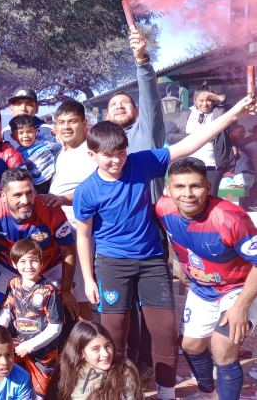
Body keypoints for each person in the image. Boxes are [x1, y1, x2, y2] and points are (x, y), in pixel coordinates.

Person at [73, 94, 253, 400]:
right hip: (111, 264)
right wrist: (89, 279)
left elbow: (190, 144)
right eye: (107, 155)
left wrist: (234, 112)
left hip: (152, 262)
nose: (115, 160)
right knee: (114, 336)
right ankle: (115, 393)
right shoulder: (86, 191)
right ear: (92, 155)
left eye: (120, 152)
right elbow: (83, 236)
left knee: (166, 335)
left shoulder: (140, 163)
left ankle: (167, 395)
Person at [156, 157, 257, 400]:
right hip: (202, 288)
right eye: (180, 187)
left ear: (208, 188)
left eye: (196, 186)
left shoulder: (231, 217)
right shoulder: (162, 208)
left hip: (239, 288)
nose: (188, 194)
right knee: (190, 345)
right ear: (168, 189)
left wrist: (241, 306)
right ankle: (208, 392)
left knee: (222, 349)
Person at [0, 168, 77, 321]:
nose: (25, 201)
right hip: (7, 267)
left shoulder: (50, 208)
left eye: (29, 192)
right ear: (3, 196)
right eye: (17, 195)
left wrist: (65, 289)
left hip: (47, 266)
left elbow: (68, 249)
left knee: (64, 311)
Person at [42, 101, 98, 326]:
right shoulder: (64, 151)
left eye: (72, 121)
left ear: (84, 123)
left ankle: (90, 345)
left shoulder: (90, 152)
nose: (66, 127)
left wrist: (63, 199)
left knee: (80, 295)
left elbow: (95, 187)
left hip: (78, 228)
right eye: (61, 122)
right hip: (58, 226)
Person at [0, 239, 63, 398]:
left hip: (42, 353)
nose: (28, 266)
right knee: (7, 384)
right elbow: (6, 311)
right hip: (16, 346)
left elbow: (56, 328)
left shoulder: (50, 290)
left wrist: (30, 345)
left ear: (41, 262)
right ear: (14, 263)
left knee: (37, 396)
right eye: (23, 261)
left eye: (33, 261)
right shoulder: (13, 284)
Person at [104, 28, 165, 200]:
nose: (119, 106)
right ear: (107, 116)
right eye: (113, 105)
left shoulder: (147, 131)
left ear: (137, 111)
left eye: (125, 103)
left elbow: (150, 99)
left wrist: (141, 61)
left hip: (148, 215)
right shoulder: (99, 143)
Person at [166, 84, 236, 196]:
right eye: (201, 100)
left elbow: (236, 104)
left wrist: (217, 97)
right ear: (195, 100)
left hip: (212, 165)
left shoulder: (220, 112)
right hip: (187, 165)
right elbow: (170, 136)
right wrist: (192, 136)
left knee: (210, 196)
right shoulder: (186, 114)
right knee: (191, 195)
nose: (205, 104)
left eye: (209, 100)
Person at [45, 321, 143, 400]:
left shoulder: (124, 370)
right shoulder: (65, 374)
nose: (105, 354)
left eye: (107, 346)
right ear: (81, 353)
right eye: (96, 349)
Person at [9, 114, 62, 194]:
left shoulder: (44, 140)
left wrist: (59, 137)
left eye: (29, 131)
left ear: (35, 131)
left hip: (53, 178)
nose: (26, 136)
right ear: (13, 137)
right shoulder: (17, 154)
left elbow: (60, 146)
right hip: (36, 185)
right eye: (20, 133)